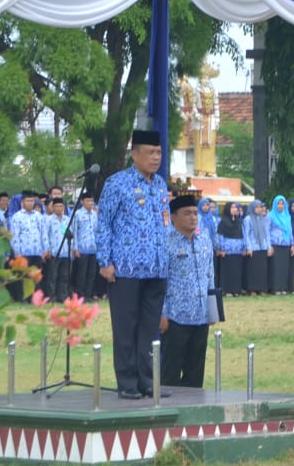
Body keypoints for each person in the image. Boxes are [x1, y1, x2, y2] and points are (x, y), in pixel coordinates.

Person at [96, 129, 170, 400]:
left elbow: (165, 223)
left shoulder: (160, 184)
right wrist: (105, 261)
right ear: (135, 154)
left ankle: (147, 381)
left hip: (156, 268)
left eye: (159, 152)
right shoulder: (117, 183)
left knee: (150, 330)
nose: (155, 158)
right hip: (125, 269)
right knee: (126, 327)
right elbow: (103, 223)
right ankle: (127, 382)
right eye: (150, 153)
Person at [160, 195, 215, 388]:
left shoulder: (205, 240)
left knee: (195, 371)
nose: (193, 217)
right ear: (173, 217)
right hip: (175, 317)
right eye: (187, 213)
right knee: (170, 371)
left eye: (195, 213)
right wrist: (162, 313)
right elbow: (160, 282)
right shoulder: (166, 243)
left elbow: (211, 275)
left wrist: (213, 310)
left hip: (201, 316)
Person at [8, 190, 48, 302]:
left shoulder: (39, 216)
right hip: (24, 252)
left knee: (36, 276)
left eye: (32, 201)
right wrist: (17, 253)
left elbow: (43, 233)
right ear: (22, 202)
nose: (30, 203)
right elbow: (14, 236)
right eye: (28, 201)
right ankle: (25, 299)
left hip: (37, 251)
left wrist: (45, 249)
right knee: (25, 277)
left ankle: (36, 299)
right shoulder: (17, 217)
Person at [43, 197, 72, 302]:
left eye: (61, 206)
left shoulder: (67, 220)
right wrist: (47, 249)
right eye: (57, 206)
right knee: (52, 276)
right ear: (53, 207)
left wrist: (72, 248)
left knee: (64, 276)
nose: (59, 208)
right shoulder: (49, 220)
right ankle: (51, 297)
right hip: (54, 252)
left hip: (65, 252)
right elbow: (45, 235)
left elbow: (70, 235)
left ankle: (63, 297)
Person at [72, 191, 99, 300]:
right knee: (81, 274)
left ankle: (88, 294)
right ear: (82, 202)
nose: (90, 203)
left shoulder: (94, 214)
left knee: (91, 274)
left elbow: (97, 231)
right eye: (88, 201)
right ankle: (80, 295)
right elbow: (74, 232)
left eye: (92, 201)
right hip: (82, 249)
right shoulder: (77, 214)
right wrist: (75, 248)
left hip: (93, 248)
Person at [216, 202, 246, 296]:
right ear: (228, 209)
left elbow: (243, 234)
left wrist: (244, 247)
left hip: (238, 251)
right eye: (232, 207)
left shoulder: (239, 221)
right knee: (228, 271)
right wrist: (221, 248)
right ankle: (227, 290)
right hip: (227, 251)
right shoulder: (223, 221)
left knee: (236, 271)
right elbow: (220, 235)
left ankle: (236, 290)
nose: (234, 209)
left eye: (236, 208)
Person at [243, 200, 271, 294]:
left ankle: (261, 289)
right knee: (253, 270)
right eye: (257, 207)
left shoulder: (263, 218)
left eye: (260, 207)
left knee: (262, 269)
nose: (259, 209)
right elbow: (246, 234)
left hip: (262, 247)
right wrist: (249, 247)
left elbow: (266, 234)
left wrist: (269, 247)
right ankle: (252, 289)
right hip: (253, 248)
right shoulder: (248, 219)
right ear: (252, 208)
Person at [268, 194, 294, 294]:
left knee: (284, 267)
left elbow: (290, 231)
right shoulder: (270, 215)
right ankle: (275, 288)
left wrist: (292, 245)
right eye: (278, 203)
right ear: (275, 204)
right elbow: (267, 230)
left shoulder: (287, 216)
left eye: (282, 204)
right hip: (275, 244)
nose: (280, 206)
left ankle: (283, 288)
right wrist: (269, 245)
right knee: (275, 267)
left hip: (285, 244)